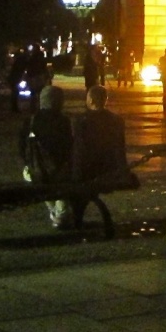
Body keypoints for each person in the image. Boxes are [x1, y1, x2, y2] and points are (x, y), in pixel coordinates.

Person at [70, 84, 134, 226]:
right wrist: (122, 172)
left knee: (76, 192)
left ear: (91, 100)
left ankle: (74, 217)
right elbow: (119, 149)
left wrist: (76, 174)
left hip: (88, 171)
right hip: (108, 170)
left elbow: (80, 152)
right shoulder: (116, 121)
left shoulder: (81, 121)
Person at [19, 84, 74, 227]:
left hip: (37, 170)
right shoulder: (63, 121)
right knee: (63, 179)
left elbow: (22, 147)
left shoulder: (31, 121)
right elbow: (68, 147)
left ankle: (56, 212)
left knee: (38, 177)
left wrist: (28, 162)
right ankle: (60, 214)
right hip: (59, 171)